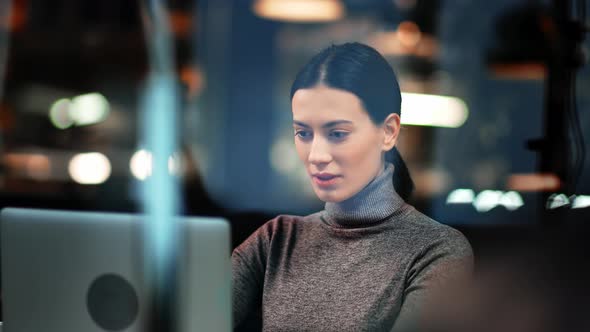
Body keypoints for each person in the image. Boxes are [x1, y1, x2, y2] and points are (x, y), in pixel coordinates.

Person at [231, 42, 473, 332]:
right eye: (303, 133)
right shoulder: (276, 240)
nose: (317, 155)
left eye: (337, 133)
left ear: (388, 132)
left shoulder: (436, 250)